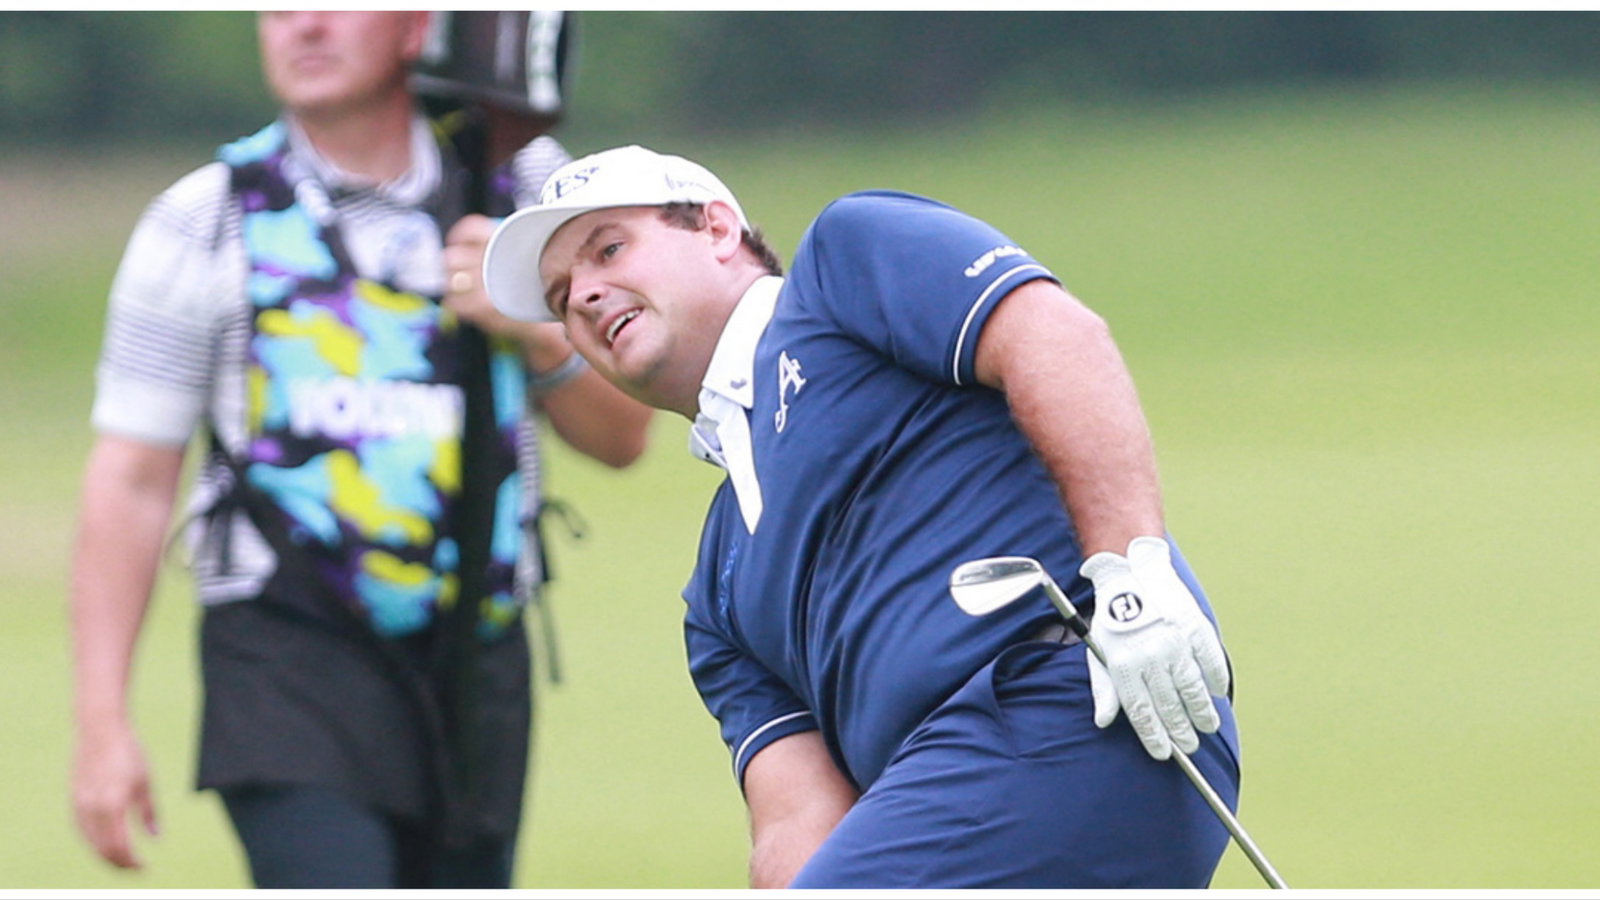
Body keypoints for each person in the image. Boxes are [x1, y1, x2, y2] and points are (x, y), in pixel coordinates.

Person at [480, 144, 1242, 888]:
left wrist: (1132, 574)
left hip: (1077, 703)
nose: (582, 296)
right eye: (559, 298)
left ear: (716, 228)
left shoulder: (840, 268)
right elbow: (795, 828)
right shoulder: (714, 593)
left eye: (609, 249)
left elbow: (1051, 333)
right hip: (945, 793)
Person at [68, 12, 651, 889]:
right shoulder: (204, 218)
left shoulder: (519, 191)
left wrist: (535, 331)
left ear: (420, 26)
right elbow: (132, 479)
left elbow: (623, 438)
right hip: (285, 651)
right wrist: (101, 724)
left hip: (476, 655)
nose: (302, 24)